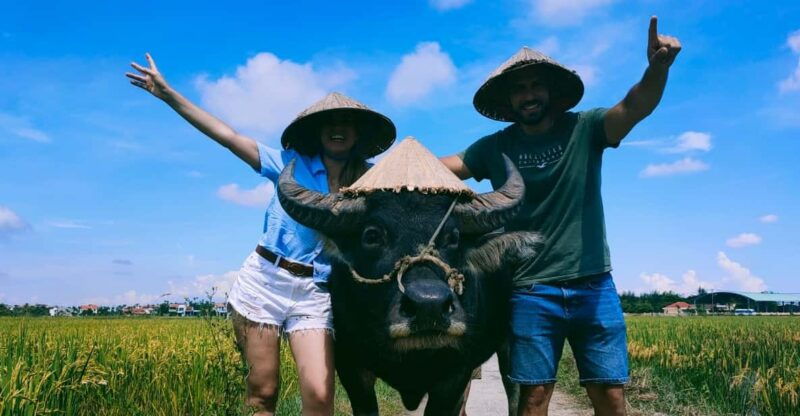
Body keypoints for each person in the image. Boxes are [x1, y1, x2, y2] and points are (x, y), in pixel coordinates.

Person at [126, 54, 396, 416]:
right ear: (317, 131)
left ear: (358, 133)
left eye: (346, 122)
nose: (338, 128)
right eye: (330, 122)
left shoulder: (372, 181)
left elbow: (415, 191)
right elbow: (228, 136)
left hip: (316, 294)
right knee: (263, 394)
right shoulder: (289, 164)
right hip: (265, 282)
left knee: (319, 396)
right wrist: (169, 94)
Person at [440, 17, 681, 416]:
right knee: (532, 399)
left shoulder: (585, 128)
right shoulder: (494, 147)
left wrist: (657, 69)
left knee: (610, 395)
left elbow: (634, 106)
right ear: (509, 100)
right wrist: (393, 165)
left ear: (550, 92)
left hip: (593, 285)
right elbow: (447, 167)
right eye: (519, 89)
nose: (528, 95)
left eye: (536, 85)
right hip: (531, 291)